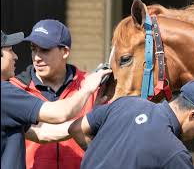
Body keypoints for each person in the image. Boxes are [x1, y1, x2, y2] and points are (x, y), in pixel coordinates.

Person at [69, 80, 194, 169]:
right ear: (193, 115)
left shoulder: (126, 104)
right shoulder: (174, 153)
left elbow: (76, 128)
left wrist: (100, 152)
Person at [1, 30, 111, 168]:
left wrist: (85, 122)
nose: (15, 56)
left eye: (45, 50)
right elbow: (59, 114)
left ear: (65, 52)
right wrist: (87, 88)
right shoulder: (6, 92)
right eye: (10, 50)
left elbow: (42, 133)